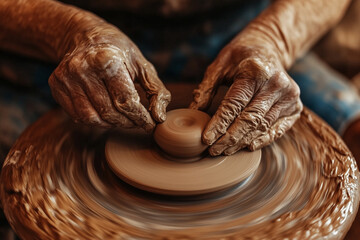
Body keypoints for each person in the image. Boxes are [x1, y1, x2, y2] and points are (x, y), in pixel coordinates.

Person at [0, 0, 352, 158]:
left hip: (241, 35)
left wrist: (273, 39)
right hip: (62, 39)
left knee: (350, 133)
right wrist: (68, 33)